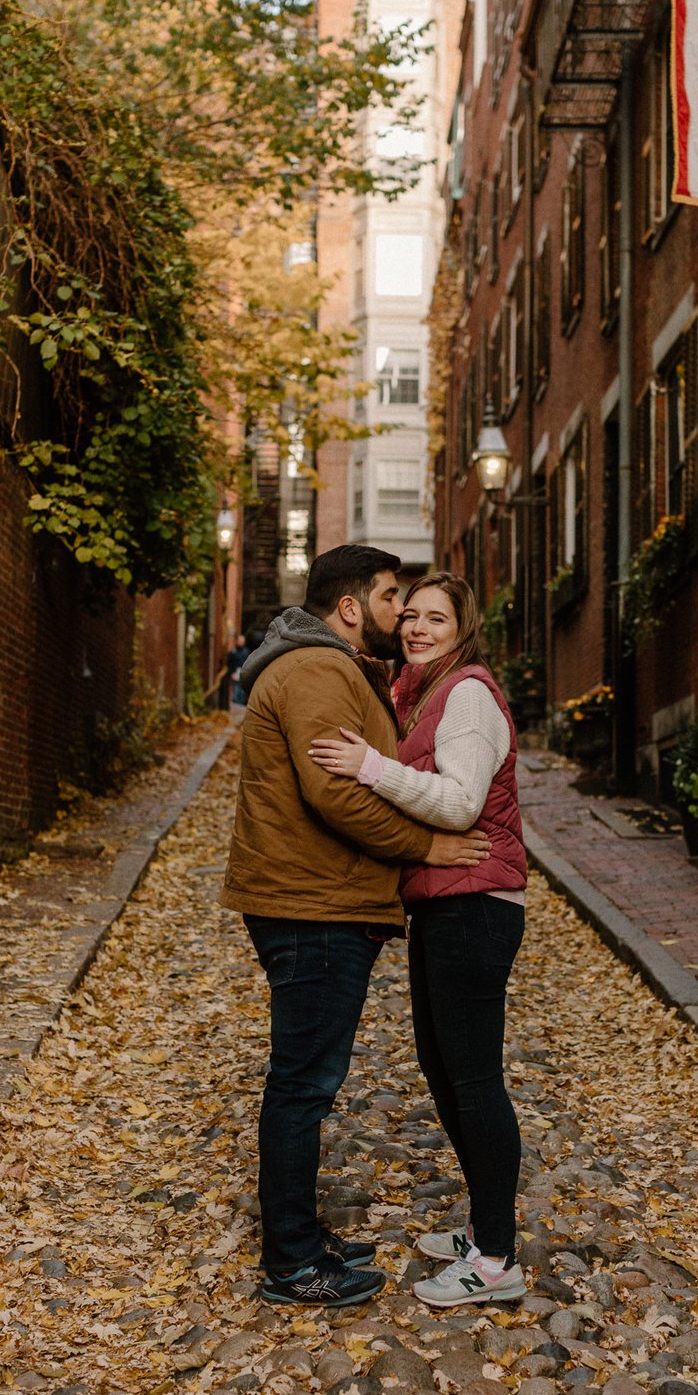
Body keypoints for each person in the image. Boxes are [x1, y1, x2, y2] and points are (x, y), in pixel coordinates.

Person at [219, 546, 492, 1309]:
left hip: (318, 900)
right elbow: (335, 794)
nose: (399, 613)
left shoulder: (332, 669)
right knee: (303, 1083)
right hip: (313, 905)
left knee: (307, 1079)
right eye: (388, 598)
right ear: (348, 608)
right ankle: (294, 1263)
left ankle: (301, 1236)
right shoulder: (318, 670)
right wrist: (427, 845)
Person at [309, 570, 528, 1308]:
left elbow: (463, 803)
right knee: (445, 1072)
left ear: (462, 628)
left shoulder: (465, 692)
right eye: (410, 615)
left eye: (436, 618)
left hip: (478, 906)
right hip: (445, 905)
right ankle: (484, 1227)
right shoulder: (421, 693)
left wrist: (371, 768)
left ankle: (496, 1260)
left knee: (474, 1080)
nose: (416, 627)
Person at [225, 633, 250, 707]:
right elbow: (229, 663)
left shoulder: (246, 651)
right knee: (236, 692)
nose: (241, 642)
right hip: (235, 674)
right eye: (240, 641)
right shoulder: (233, 651)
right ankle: (236, 708)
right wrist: (232, 672)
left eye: (243, 641)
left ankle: (241, 708)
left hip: (243, 673)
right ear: (237, 641)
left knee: (242, 692)